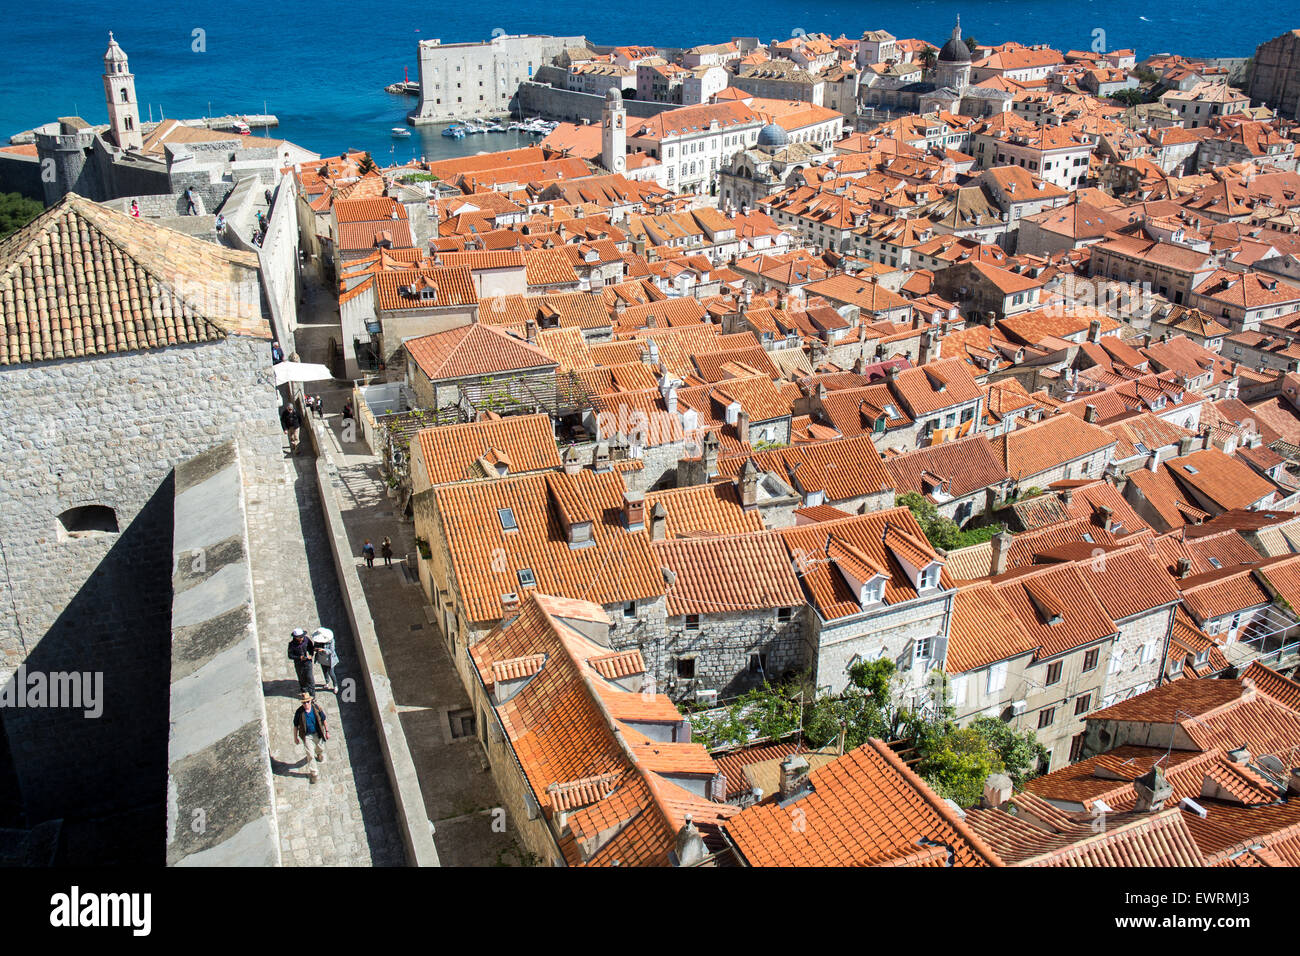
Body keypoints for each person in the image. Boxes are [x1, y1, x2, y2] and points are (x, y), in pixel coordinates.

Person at [292, 693, 329, 781]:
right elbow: (295, 726)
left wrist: (327, 731)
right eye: (304, 703)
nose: (306, 704)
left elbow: (323, 719)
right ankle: (314, 773)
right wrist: (295, 737)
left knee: (320, 748)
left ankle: (319, 753)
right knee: (310, 755)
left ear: (310, 701)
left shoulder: (316, 708)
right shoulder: (299, 712)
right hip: (307, 736)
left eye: (307, 702)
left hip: (318, 733)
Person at [287, 628, 315, 697]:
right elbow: (290, 655)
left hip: (307, 663)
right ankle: (304, 691)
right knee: (301, 678)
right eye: (300, 637)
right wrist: (299, 657)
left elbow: (311, 648)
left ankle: (312, 695)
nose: (302, 638)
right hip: (298, 664)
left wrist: (311, 655)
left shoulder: (306, 640)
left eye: (302, 636)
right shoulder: (292, 645)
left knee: (310, 678)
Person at [312, 627, 340, 692]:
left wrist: (324, 650)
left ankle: (335, 685)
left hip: (329, 660)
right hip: (321, 659)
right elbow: (315, 646)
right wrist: (316, 649)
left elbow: (331, 651)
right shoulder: (317, 641)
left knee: (331, 673)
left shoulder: (331, 641)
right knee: (324, 672)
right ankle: (327, 682)